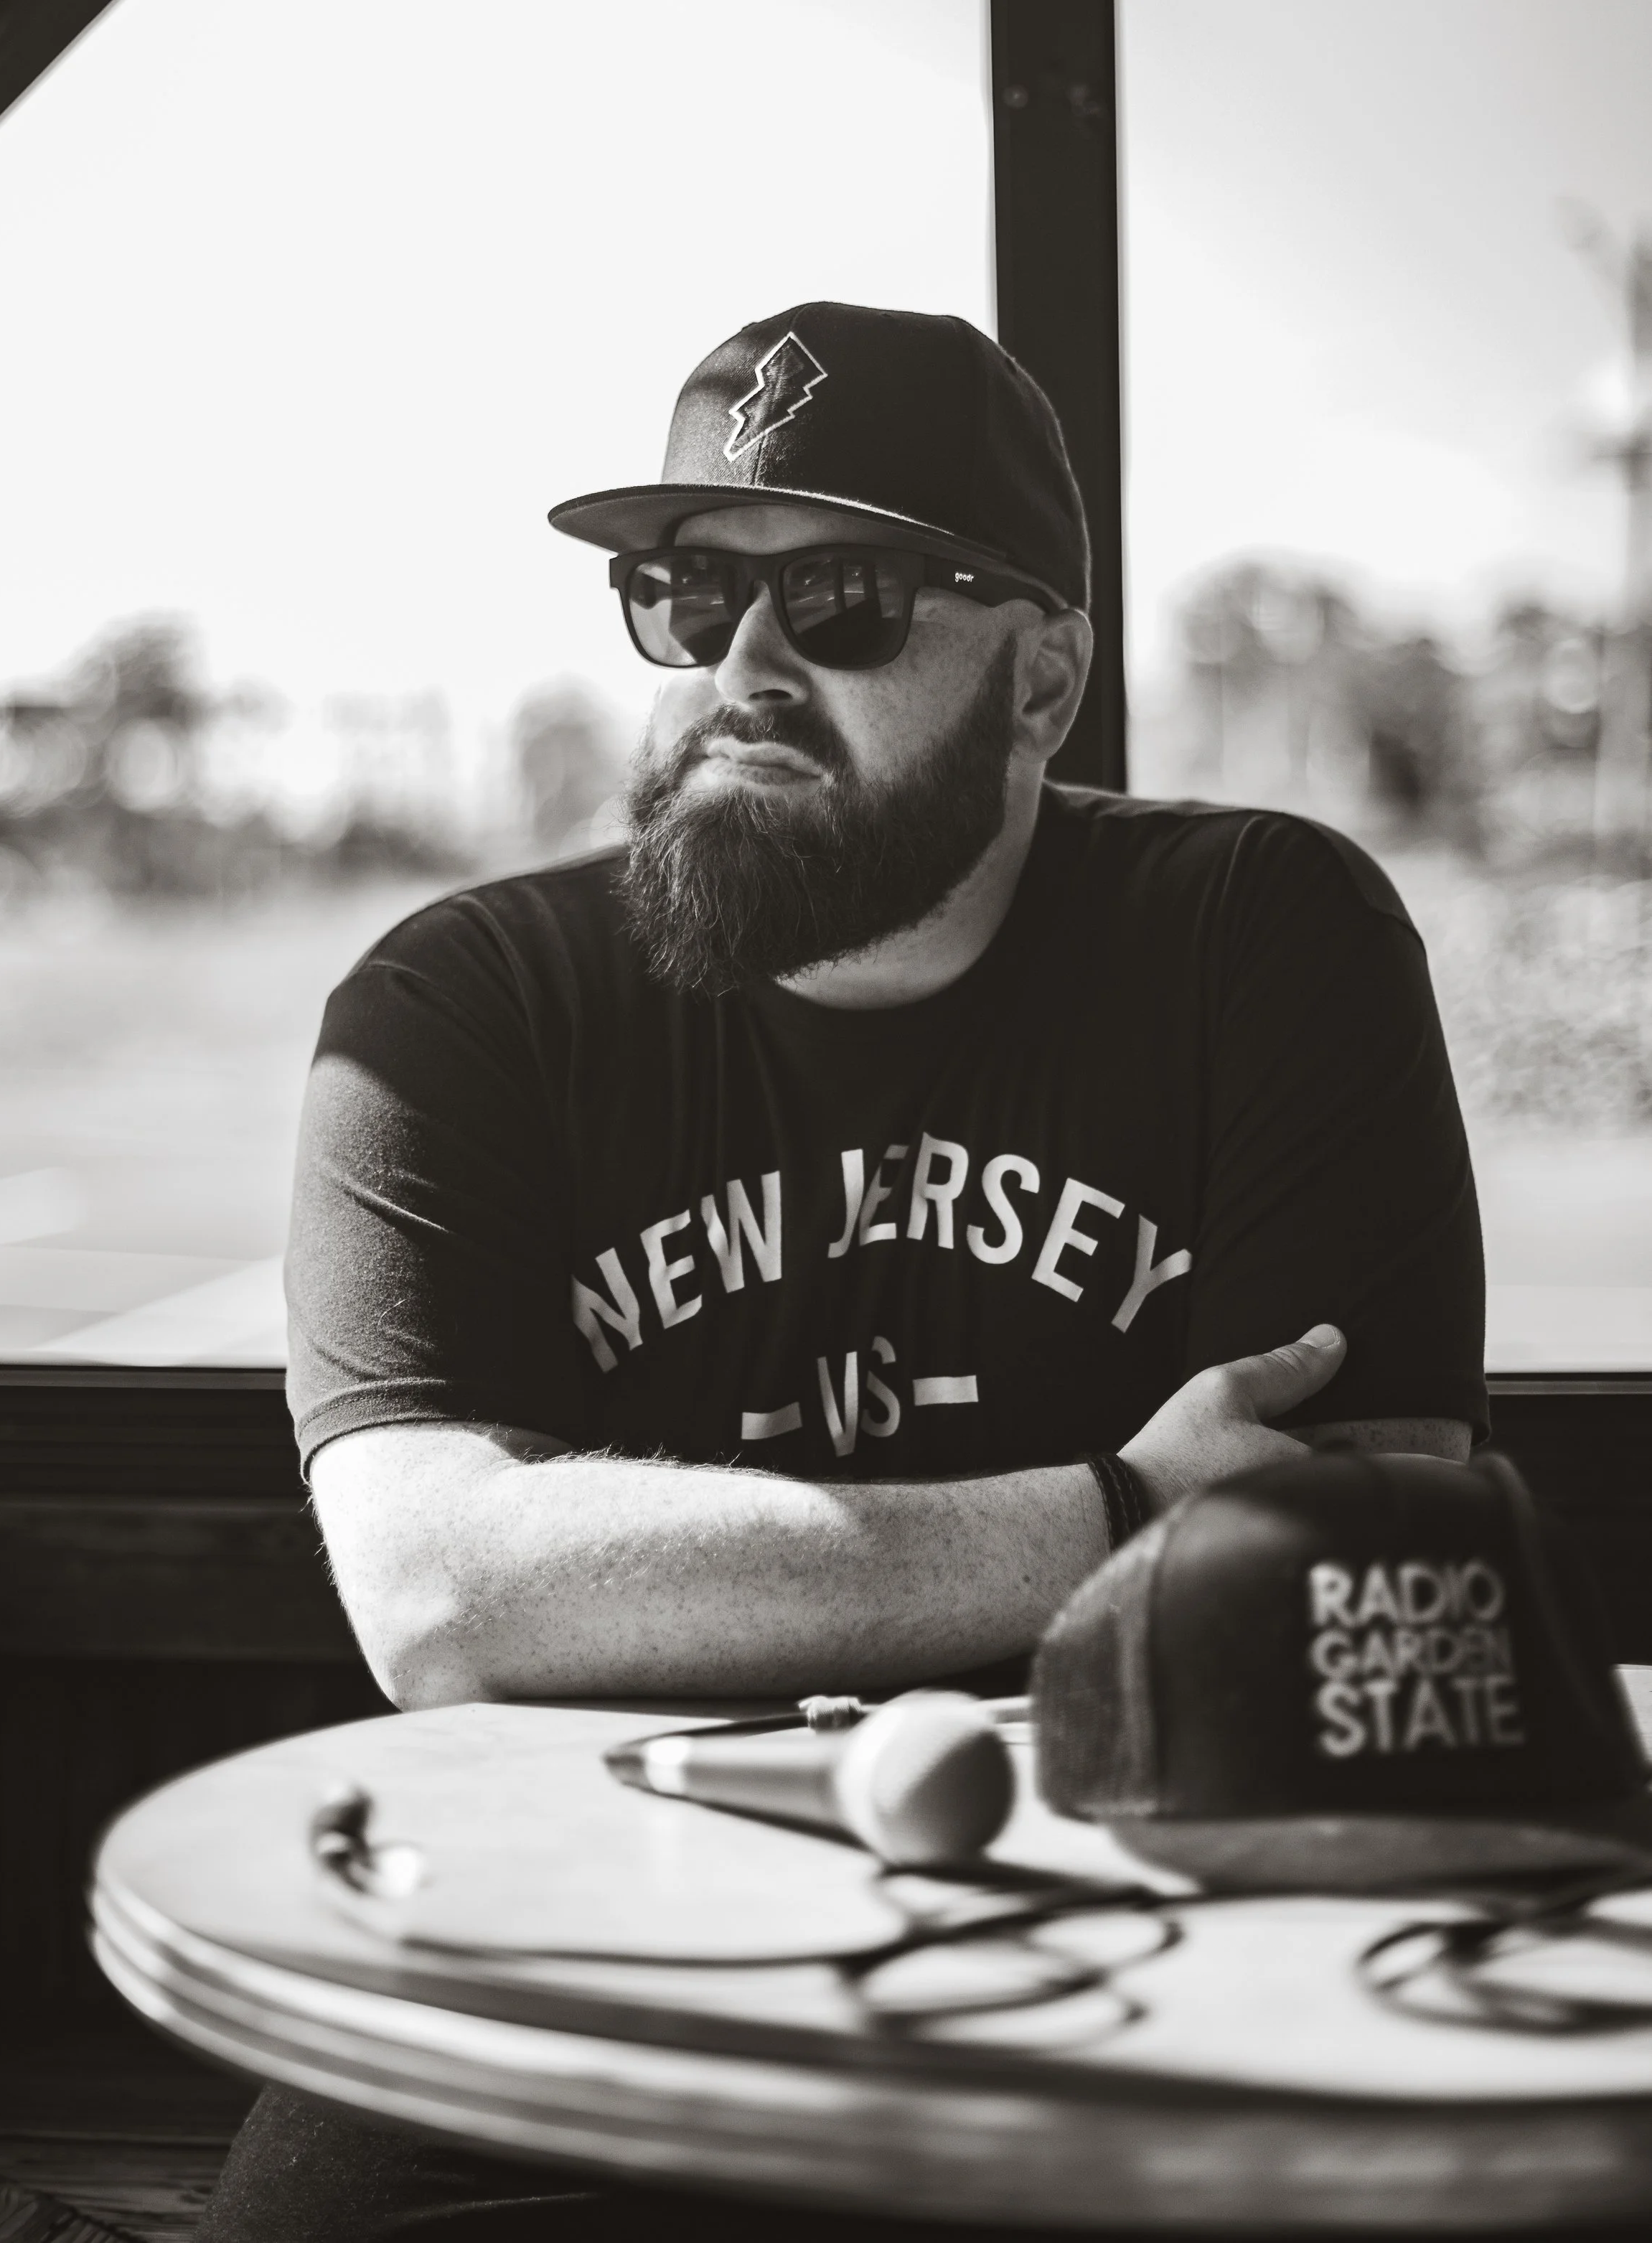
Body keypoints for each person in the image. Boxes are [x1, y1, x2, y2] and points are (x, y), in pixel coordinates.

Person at [199, 301, 1484, 2241]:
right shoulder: (462, 1004)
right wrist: (1115, 1508)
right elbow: (443, 1590)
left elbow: (1345, 1563)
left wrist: (654, 1584)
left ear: (1043, 678)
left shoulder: (1257, 936)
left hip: (1151, 1914)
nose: (743, 666)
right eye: (686, 594)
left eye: (850, 598)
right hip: (574, 1930)